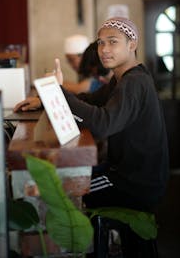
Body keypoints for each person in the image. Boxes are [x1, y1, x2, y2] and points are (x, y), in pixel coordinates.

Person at [15, 17, 169, 213]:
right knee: (64, 179)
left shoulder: (135, 82)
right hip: (122, 172)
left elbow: (103, 124)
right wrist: (45, 99)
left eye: (113, 42)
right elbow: (90, 99)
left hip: (136, 183)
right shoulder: (122, 79)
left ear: (132, 44)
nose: (104, 49)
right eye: (100, 43)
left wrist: (58, 92)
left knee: (64, 192)